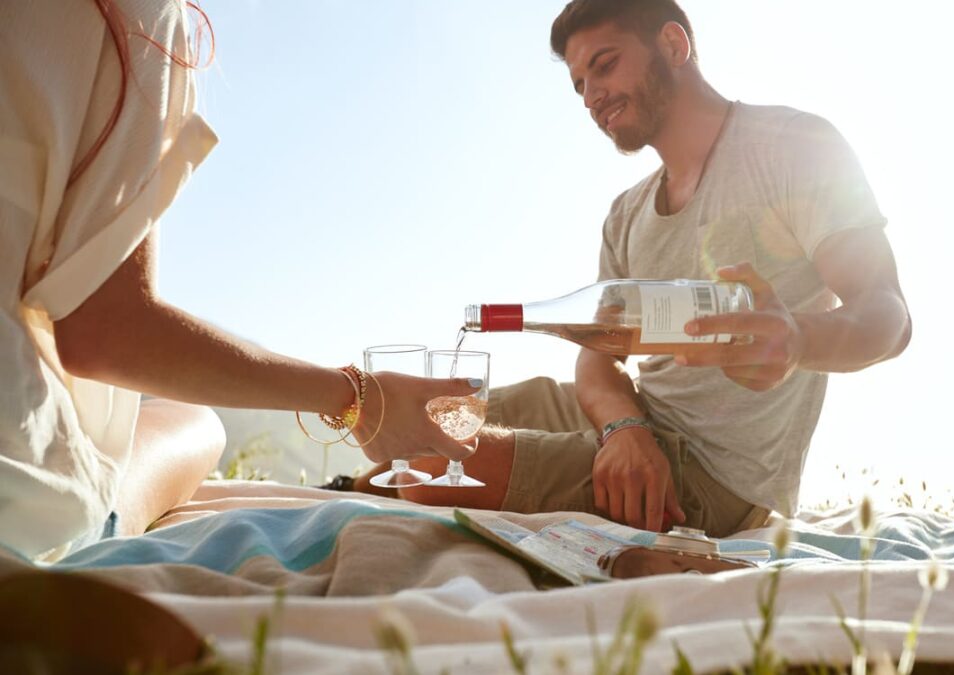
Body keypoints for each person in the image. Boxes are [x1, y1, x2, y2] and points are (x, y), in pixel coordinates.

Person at [384, 0, 911, 537]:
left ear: (674, 46)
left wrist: (797, 338)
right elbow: (598, 356)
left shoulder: (794, 147)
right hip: (634, 420)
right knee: (428, 423)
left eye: (605, 65)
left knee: (431, 471)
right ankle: (346, 489)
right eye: (579, 84)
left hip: (708, 477)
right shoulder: (626, 214)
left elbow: (887, 315)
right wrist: (625, 425)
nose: (591, 97)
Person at [0, 0, 477, 561]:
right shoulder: (134, 20)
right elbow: (105, 331)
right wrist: (357, 397)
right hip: (21, 513)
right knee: (196, 425)